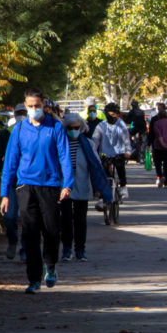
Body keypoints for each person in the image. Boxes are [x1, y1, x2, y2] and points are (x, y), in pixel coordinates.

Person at [0, 88, 74, 294]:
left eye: (37, 106)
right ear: (25, 106)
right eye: (30, 107)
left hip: (49, 186)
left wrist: (67, 184)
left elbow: (65, 157)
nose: (33, 110)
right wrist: (5, 193)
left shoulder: (55, 128)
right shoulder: (19, 130)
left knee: (51, 230)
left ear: (44, 106)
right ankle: (33, 279)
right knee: (30, 233)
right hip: (25, 187)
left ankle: (50, 265)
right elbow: (10, 163)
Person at [60, 112, 113, 262]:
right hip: (64, 187)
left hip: (82, 185)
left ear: (81, 127)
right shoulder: (60, 143)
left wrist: (97, 187)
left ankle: (80, 249)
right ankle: (67, 249)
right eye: (70, 127)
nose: (73, 130)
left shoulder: (87, 144)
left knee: (80, 220)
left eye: (76, 127)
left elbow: (95, 166)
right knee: (65, 219)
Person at [0, 104, 27, 260]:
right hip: (11, 184)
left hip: (28, 184)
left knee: (28, 219)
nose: (21, 116)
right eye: (19, 113)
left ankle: (25, 249)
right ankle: (12, 241)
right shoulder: (7, 134)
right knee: (10, 216)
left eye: (24, 113)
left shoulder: (33, 132)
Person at [92, 102, 132, 199]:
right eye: (109, 114)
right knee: (104, 171)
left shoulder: (121, 125)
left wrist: (128, 151)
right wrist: (93, 152)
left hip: (119, 152)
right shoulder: (101, 126)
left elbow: (126, 139)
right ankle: (105, 190)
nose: (111, 116)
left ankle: (123, 186)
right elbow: (95, 140)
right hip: (105, 153)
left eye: (113, 114)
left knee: (120, 167)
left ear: (118, 114)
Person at [148, 105, 167, 188]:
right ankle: (166, 180)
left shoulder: (156, 123)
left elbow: (158, 135)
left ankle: (160, 176)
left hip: (158, 146)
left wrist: (162, 144)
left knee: (158, 163)